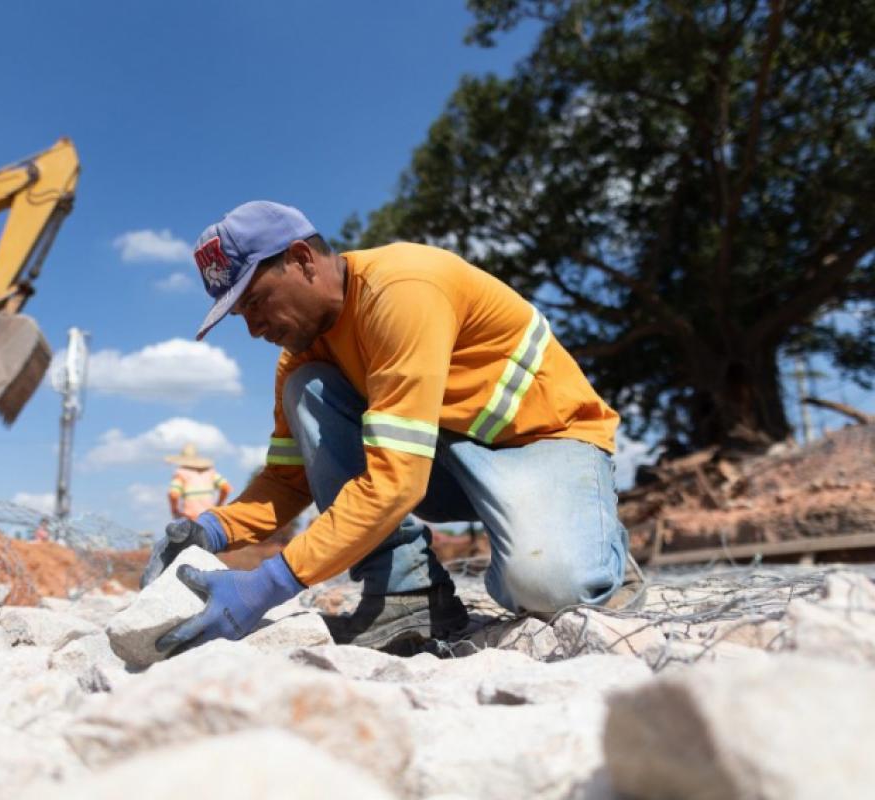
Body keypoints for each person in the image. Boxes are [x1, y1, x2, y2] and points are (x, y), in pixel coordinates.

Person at [142, 200, 640, 655]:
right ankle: (408, 591)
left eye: (255, 302)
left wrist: (273, 581)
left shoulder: (401, 290)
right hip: (441, 462)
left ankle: (597, 544)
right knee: (306, 389)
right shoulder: (301, 354)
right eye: (239, 315)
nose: (253, 328)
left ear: (301, 259)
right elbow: (289, 479)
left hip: (544, 443)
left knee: (549, 588)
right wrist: (210, 530)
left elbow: (395, 479)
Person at [165, 443, 232, 521]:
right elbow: (226, 488)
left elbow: (173, 495)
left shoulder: (180, 473)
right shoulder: (210, 472)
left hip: (191, 518)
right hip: (210, 517)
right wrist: (218, 505)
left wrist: (175, 511)